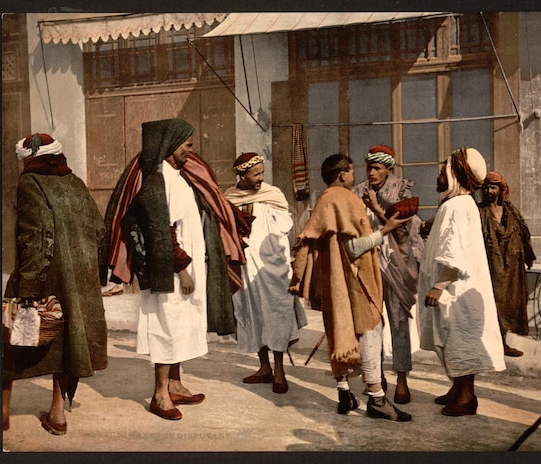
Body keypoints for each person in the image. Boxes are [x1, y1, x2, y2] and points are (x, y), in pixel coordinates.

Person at [118, 119, 244, 420]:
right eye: (187, 145)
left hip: (183, 268)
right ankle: (160, 395)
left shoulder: (177, 176)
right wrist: (182, 269)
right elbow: (162, 230)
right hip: (172, 272)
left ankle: (175, 384)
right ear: (171, 145)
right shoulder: (158, 179)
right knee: (167, 327)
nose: (191, 150)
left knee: (180, 326)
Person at [289, 153, 412, 421]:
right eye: (353, 172)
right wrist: (385, 229)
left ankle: (344, 394)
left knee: (338, 329)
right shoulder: (347, 199)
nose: (355, 176)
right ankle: (377, 398)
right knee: (370, 330)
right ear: (342, 174)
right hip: (354, 278)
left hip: (333, 279)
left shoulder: (324, 200)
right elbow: (354, 247)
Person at [3, 133, 108, 435]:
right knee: (66, 345)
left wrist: (27, 287)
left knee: (9, 338)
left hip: (45, 275)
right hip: (79, 279)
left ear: (29, 159)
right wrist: (90, 274)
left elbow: (35, 237)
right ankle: (57, 412)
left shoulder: (30, 183)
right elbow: (100, 231)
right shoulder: (75, 182)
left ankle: (2, 413)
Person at [418, 147, 505, 417]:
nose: (438, 174)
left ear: (455, 173)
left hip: (457, 288)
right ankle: (457, 388)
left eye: (443, 168)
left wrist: (439, 285)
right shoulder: (458, 204)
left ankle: (467, 397)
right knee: (452, 337)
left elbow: (454, 251)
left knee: (458, 338)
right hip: (458, 285)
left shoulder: (457, 206)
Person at [224, 152, 307, 394]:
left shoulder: (273, 195)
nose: (261, 178)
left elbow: (285, 227)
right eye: (255, 174)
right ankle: (264, 368)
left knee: (277, 313)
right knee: (254, 312)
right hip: (246, 265)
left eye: (262, 172)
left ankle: (279, 370)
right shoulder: (229, 198)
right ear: (241, 175)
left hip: (273, 266)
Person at [353, 144, 424, 404]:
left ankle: (402, 379)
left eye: (377, 168)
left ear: (389, 169)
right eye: (368, 167)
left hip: (397, 264)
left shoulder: (403, 189)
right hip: (369, 262)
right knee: (371, 323)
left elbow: (402, 231)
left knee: (397, 321)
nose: (371, 172)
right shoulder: (358, 190)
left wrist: (376, 206)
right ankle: (377, 375)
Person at [478, 171, 536, 357]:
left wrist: (529, 256)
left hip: (512, 264)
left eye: (493, 187)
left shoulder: (510, 210)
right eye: (486, 187)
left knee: (510, 303)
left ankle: (503, 344)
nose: (488, 191)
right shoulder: (479, 211)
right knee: (491, 303)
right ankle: (490, 345)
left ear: (501, 190)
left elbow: (523, 231)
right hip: (490, 264)